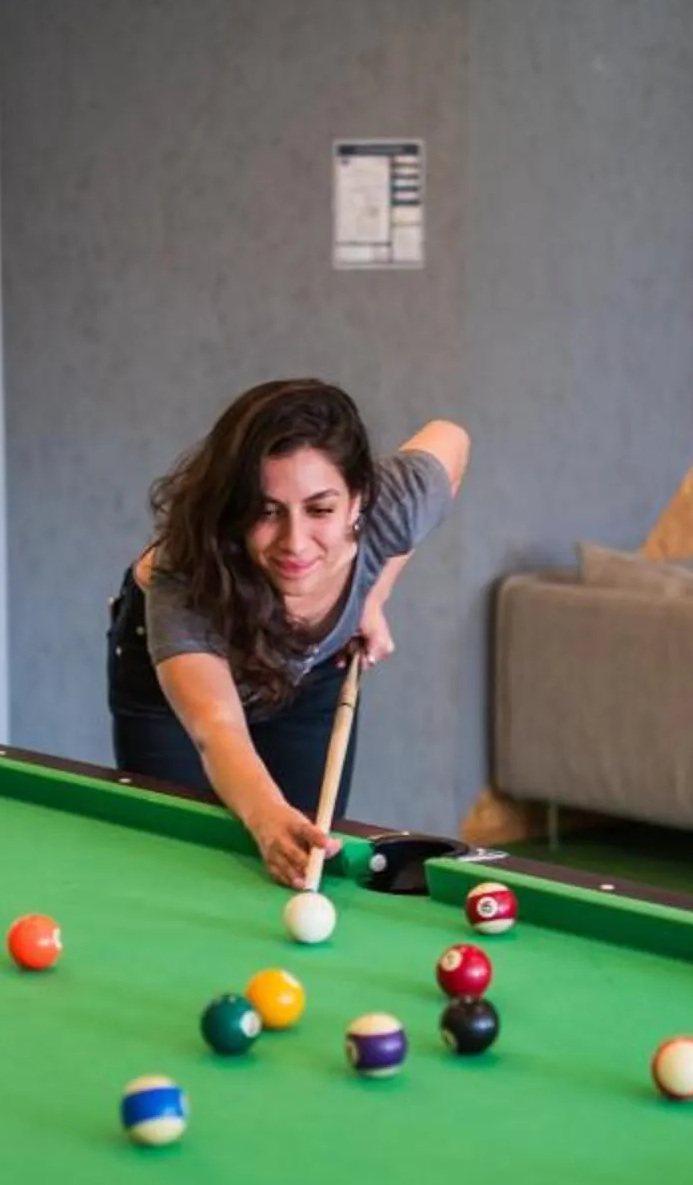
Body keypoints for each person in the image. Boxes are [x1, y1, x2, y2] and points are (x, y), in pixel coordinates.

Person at [107, 378, 471, 887]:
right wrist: (264, 815)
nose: (294, 543)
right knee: (182, 864)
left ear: (357, 501)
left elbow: (451, 439)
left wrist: (374, 593)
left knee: (302, 850)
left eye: (320, 509)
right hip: (178, 692)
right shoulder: (190, 571)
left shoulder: (392, 506)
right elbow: (217, 729)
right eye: (266, 511)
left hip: (311, 670)